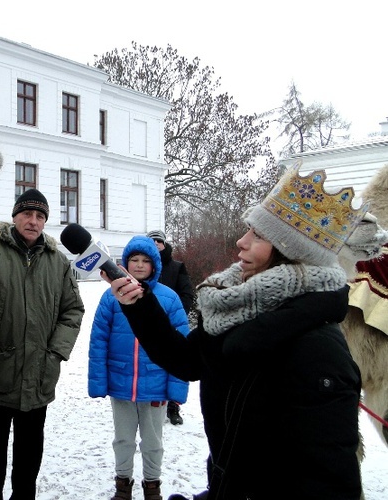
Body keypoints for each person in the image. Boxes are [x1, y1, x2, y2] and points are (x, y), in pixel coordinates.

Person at [106, 162, 374, 500]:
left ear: (291, 254)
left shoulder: (318, 350)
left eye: (258, 235)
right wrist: (139, 305)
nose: (241, 241)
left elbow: (327, 485)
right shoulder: (235, 309)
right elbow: (187, 361)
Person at [0, 188, 85, 499]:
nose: (33, 221)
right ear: (15, 216)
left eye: (40, 216)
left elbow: (73, 310)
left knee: (28, 464)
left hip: (38, 380)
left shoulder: (58, 263)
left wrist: (56, 353)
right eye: (27, 214)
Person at [89, 235, 189, 500]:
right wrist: (98, 381)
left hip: (155, 386)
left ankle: (152, 485)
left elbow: (182, 345)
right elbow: (98, 340)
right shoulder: (111, 298)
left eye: (146, 260)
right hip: (121, 384)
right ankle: (123, 484)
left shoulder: (169, 299)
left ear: (155, 265)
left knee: (153, 442)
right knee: (123, 439)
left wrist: (177, 387)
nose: (140, 265)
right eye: (134, 259)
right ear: (126, 263)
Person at [146, 229, 194, 425]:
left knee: (175, 364)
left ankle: (173, 406)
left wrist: (175, 313)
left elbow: (187, 294)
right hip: (147, 323)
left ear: (165, 244)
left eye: (159, 241)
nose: (156, 244)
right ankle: (149, 398)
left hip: (172, 323)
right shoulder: (142, 267)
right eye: (152, 241)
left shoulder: (177, 267)